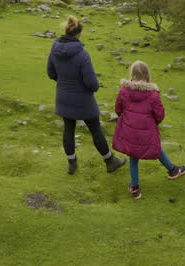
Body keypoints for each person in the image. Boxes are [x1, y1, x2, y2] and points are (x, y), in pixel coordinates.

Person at [47, 15, 126, 175]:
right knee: (95, 129)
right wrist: (94, 87)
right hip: (83, 99)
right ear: (79, 34)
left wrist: (64, 83)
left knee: (68, 129)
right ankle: (110, 161)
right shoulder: (82, 55)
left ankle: (72, 164)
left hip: (63, 96)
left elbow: (51, 72)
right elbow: (91, 83)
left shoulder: (54, 50)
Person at [112, 60, 185, 199]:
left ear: (132, 74)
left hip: (129, 130)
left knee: (134, 156)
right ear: (147, 75)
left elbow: (118, 109)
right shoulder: (153, 94)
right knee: (154, 146)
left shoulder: (124, 91)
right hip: (147, 130)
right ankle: (172, 170)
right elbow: (160, 115)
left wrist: (127, 120)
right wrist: (152, 124)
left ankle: (135, 188)